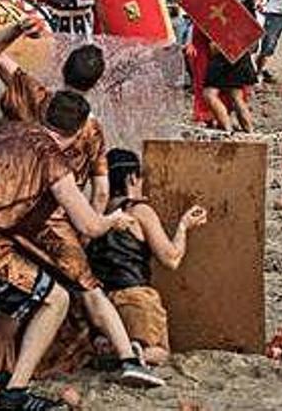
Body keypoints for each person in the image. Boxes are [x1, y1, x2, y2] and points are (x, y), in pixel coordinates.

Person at [0, 91, 133, 411]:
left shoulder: (13, 129)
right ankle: (16, 392)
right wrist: (113, 219)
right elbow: (88, 225)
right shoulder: (53, 160)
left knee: (15, 296)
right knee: (55, 298)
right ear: (78, 131)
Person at [0, 20, 164, 391]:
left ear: (63, 69)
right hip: (55, 220)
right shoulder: (92, 130)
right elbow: (98, 190)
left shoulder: (39, 96)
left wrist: (17, 29)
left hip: (11, 210)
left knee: (14, 291)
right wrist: (89, 228)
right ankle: (128, 358)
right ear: (95, 83)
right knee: (88, 288)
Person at [87, 149, 208, 365]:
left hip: (100, 302)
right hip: (135, 296)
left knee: (116, 343)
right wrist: (183, 226)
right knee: (160, 352)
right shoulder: (140, 211)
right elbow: (171, 258)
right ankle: (133, 353)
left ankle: (110, 347)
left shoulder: (92, 214)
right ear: (132, 178)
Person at [185, 0, 255, 132]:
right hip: (235, 50)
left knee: (212, 94)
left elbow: (223, 26)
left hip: (226, 52)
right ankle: (249, 133)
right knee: (235, 96)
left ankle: (230, 132)